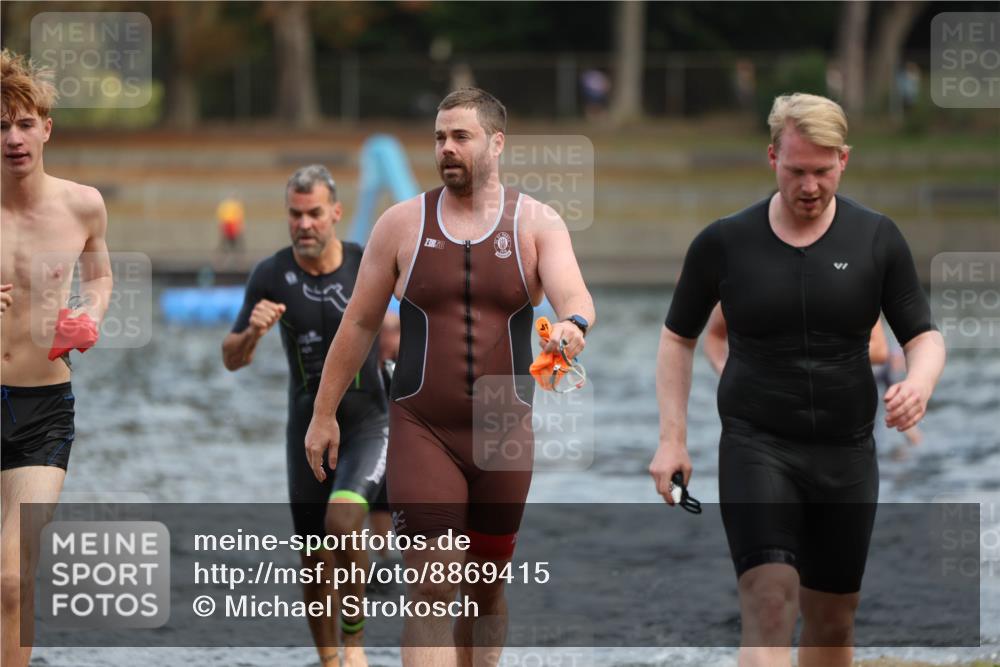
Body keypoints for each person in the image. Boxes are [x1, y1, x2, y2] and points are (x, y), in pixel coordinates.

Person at [650, 93, 945, 667]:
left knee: (832, 624)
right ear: (772, 158)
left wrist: (920, 384)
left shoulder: (876, 238)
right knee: (769, 601)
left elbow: (923, 336)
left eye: (822, 170)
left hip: (846, 453)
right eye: (795, 171)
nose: (809, 186)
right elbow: (677, 338)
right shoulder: (725, 242)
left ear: (844, 160)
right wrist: (672, 439)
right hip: (757, 443)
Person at [304, 87, 594, 667]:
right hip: (422, 426)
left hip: (503, 429)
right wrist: (323, 412)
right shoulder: (401, 224)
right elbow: (358, 323)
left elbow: (574, 296)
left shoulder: (536, 222)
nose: (446, 148)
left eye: (461, 136)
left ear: (496, 143)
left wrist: (572, 327)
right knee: (433, 585)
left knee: (484, 591)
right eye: (439, 138)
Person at [222, 165, 388, 667]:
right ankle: (329, 660)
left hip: (368, 422)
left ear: (335, 213)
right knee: (314, 558)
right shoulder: (270, 275)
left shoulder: (366, 262)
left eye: (314, 213)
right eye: (295, 215)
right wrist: (252, 332)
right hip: (307, 429)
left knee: (344, 520)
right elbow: (231, 359)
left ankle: (354, 645)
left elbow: (426, 310)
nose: (304, 224)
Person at [1, 49, 113, 667]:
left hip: (42, 408)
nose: (13, 139)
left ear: (47, 128)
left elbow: (100, 277)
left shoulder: (82, 205)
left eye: (24, 124)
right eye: (0, 126)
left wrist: (89, 315)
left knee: (13, 577)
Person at [703, 304, 888, 375]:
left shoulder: (847, 272)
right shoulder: (752, 269)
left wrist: (811, 352)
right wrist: (727, 372)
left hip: (839, 411)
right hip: (761, 419)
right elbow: (715, 335)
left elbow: (879, 349)